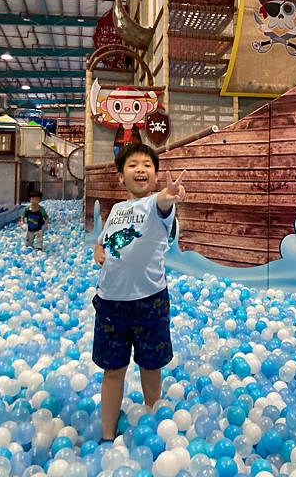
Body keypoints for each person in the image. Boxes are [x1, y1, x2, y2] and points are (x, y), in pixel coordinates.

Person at [92, 142, 186, 442]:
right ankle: (107, 435)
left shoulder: (157, 206)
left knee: (150, 366)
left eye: (147, 164)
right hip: (110, 302)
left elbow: (162, 203)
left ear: (156, 174)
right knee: (113, 370)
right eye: (132, 165)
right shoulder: (118, 209)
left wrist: (168, 195)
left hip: (149, 302)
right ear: (121, 176)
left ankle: (152, 423)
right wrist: (98, 248)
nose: (140, 169)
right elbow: (106, 238)